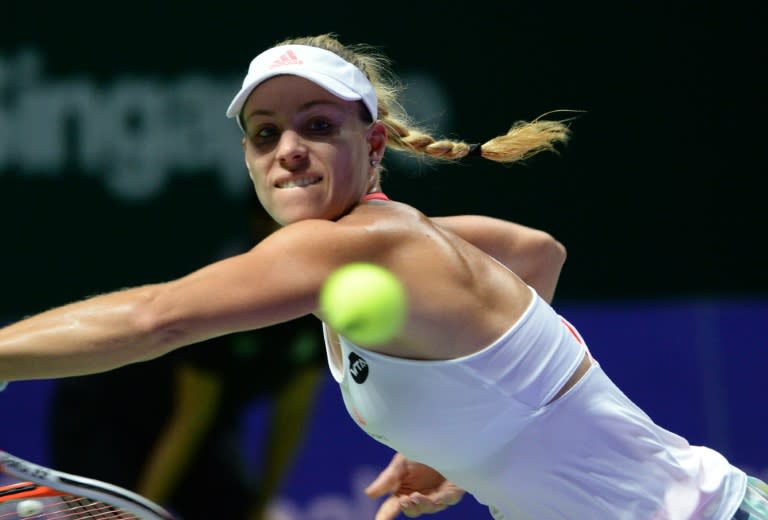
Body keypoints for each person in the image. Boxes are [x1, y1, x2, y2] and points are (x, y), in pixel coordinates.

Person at [0, 32, 765, 520]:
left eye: (318, 127)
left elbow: (155, 319)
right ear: (247, 160)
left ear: (373, 147)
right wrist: (460, 428)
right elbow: (538, 251)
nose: (287, 150)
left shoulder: (357, 245)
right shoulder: (421, 240)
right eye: (265, 135)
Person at [47, 198, 325, 520]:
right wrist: (141, 509)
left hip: (204, 426)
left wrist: (261, 505)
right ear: (262, 228)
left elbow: (291, 414)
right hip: (104, 414)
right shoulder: (227, 294)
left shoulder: (320, 299)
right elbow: (189, 421)